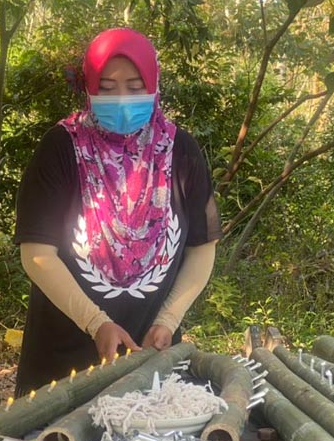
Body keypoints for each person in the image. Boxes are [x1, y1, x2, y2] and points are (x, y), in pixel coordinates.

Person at [13, 28, 222, 397]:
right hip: (63, 357)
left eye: (134, 85)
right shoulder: (60, 148)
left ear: (155, 85)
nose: (122, 99)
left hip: (151, 351)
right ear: (88, 87)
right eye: (107, 88)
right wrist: (96, 323)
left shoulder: (181, 151)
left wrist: (169, 319)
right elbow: (37, 255)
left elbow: (201, 247)